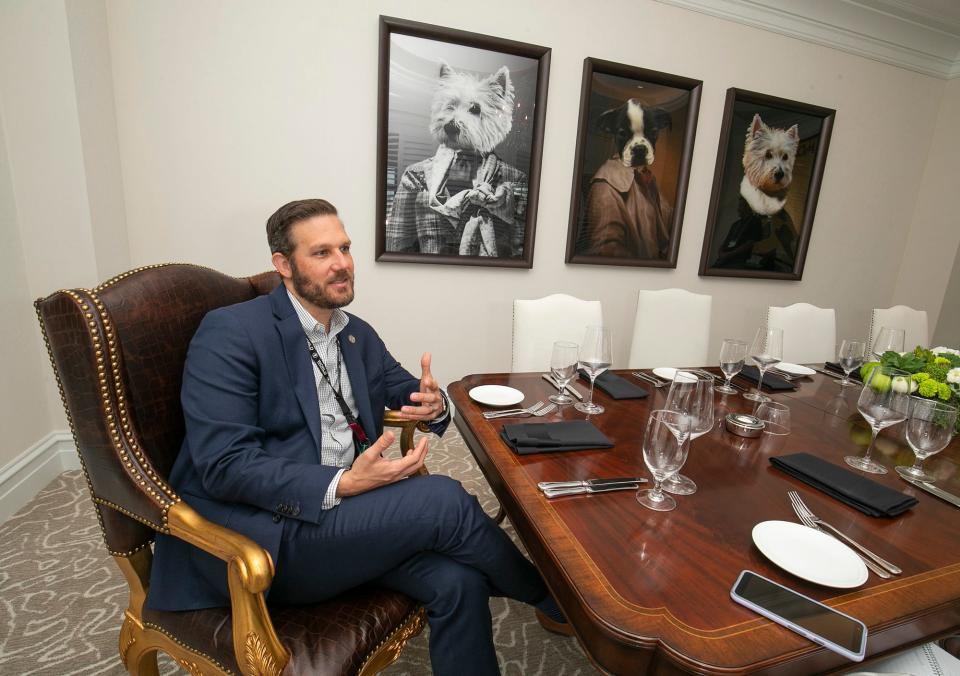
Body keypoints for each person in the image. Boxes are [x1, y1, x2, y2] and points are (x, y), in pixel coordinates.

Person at [147, 199, 565, 675]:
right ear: (283, 265)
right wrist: (341, 484)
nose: (343, 263)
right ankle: (555, 599)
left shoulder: (354, 333)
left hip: (344, 522)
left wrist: (432, 403)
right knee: (442, 501)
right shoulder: (231, 332)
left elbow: (405, 387)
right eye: (321, 252)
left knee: (458, 580)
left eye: (344, 248)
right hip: (269, 538)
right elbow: (225, 465)